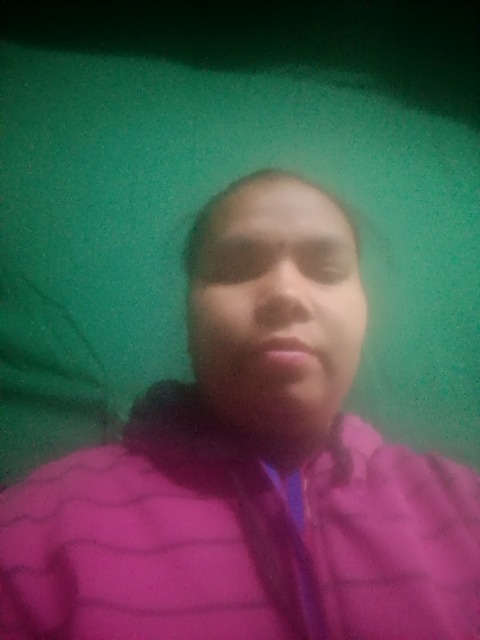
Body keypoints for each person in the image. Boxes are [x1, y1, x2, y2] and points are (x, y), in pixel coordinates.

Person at [0, 169, 478, 640]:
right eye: (235, 268)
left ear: (364, 309)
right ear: (190, 315)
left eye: (326, 271)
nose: (286, 294)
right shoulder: (38, 527)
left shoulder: (463, 506)